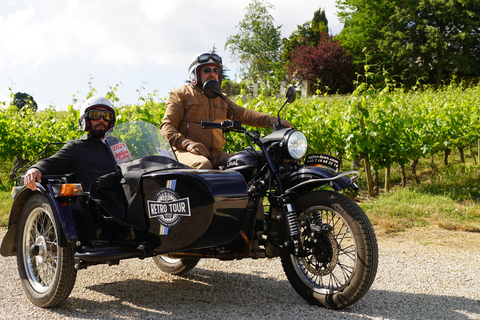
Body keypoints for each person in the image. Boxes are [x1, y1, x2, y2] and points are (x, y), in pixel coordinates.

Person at [160, 52, 293, 169]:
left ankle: (251, 198)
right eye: (207, 70)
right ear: (195, 73)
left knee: (250, 163)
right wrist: (187, 144)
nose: (212, 74)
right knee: (202, 165)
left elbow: (243, 114)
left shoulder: (221, 98)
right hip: (186, 153)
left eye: (216, 71)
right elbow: (166, 127)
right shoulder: (181, 94)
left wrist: (270, 120)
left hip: (217, 154)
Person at [23, 96, 117, 192]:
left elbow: (128, 166)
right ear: (86, 120)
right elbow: (53, 162)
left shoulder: (116, 144)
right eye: (95, 114)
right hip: (101, 199)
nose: (102, 119)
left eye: (107, 116)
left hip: (124, 194)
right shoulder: (77, 147)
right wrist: (35, 169)